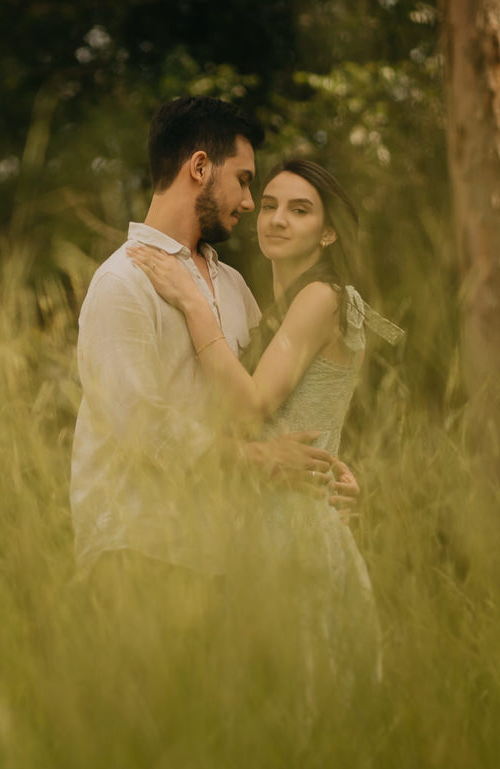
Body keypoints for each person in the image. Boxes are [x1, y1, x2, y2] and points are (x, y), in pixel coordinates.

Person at [127, 158, 403, 686]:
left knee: (299, 701)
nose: (276, 218)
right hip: (262, 524)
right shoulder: (272, 307)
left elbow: (251, 406)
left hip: (293, 530)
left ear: (327, 233)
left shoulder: (322, 296)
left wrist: (191, 302)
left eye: (299, 211)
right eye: (270, 205)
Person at [70, 97, 356, 585]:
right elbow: (141, 427)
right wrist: (261, 460)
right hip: (138, 551)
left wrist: (326, 473)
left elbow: (264, 404)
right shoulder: (123, 281)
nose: (249, 202)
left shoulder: (234, 287)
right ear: (200, 167)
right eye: (244, 180)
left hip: (222, 563)